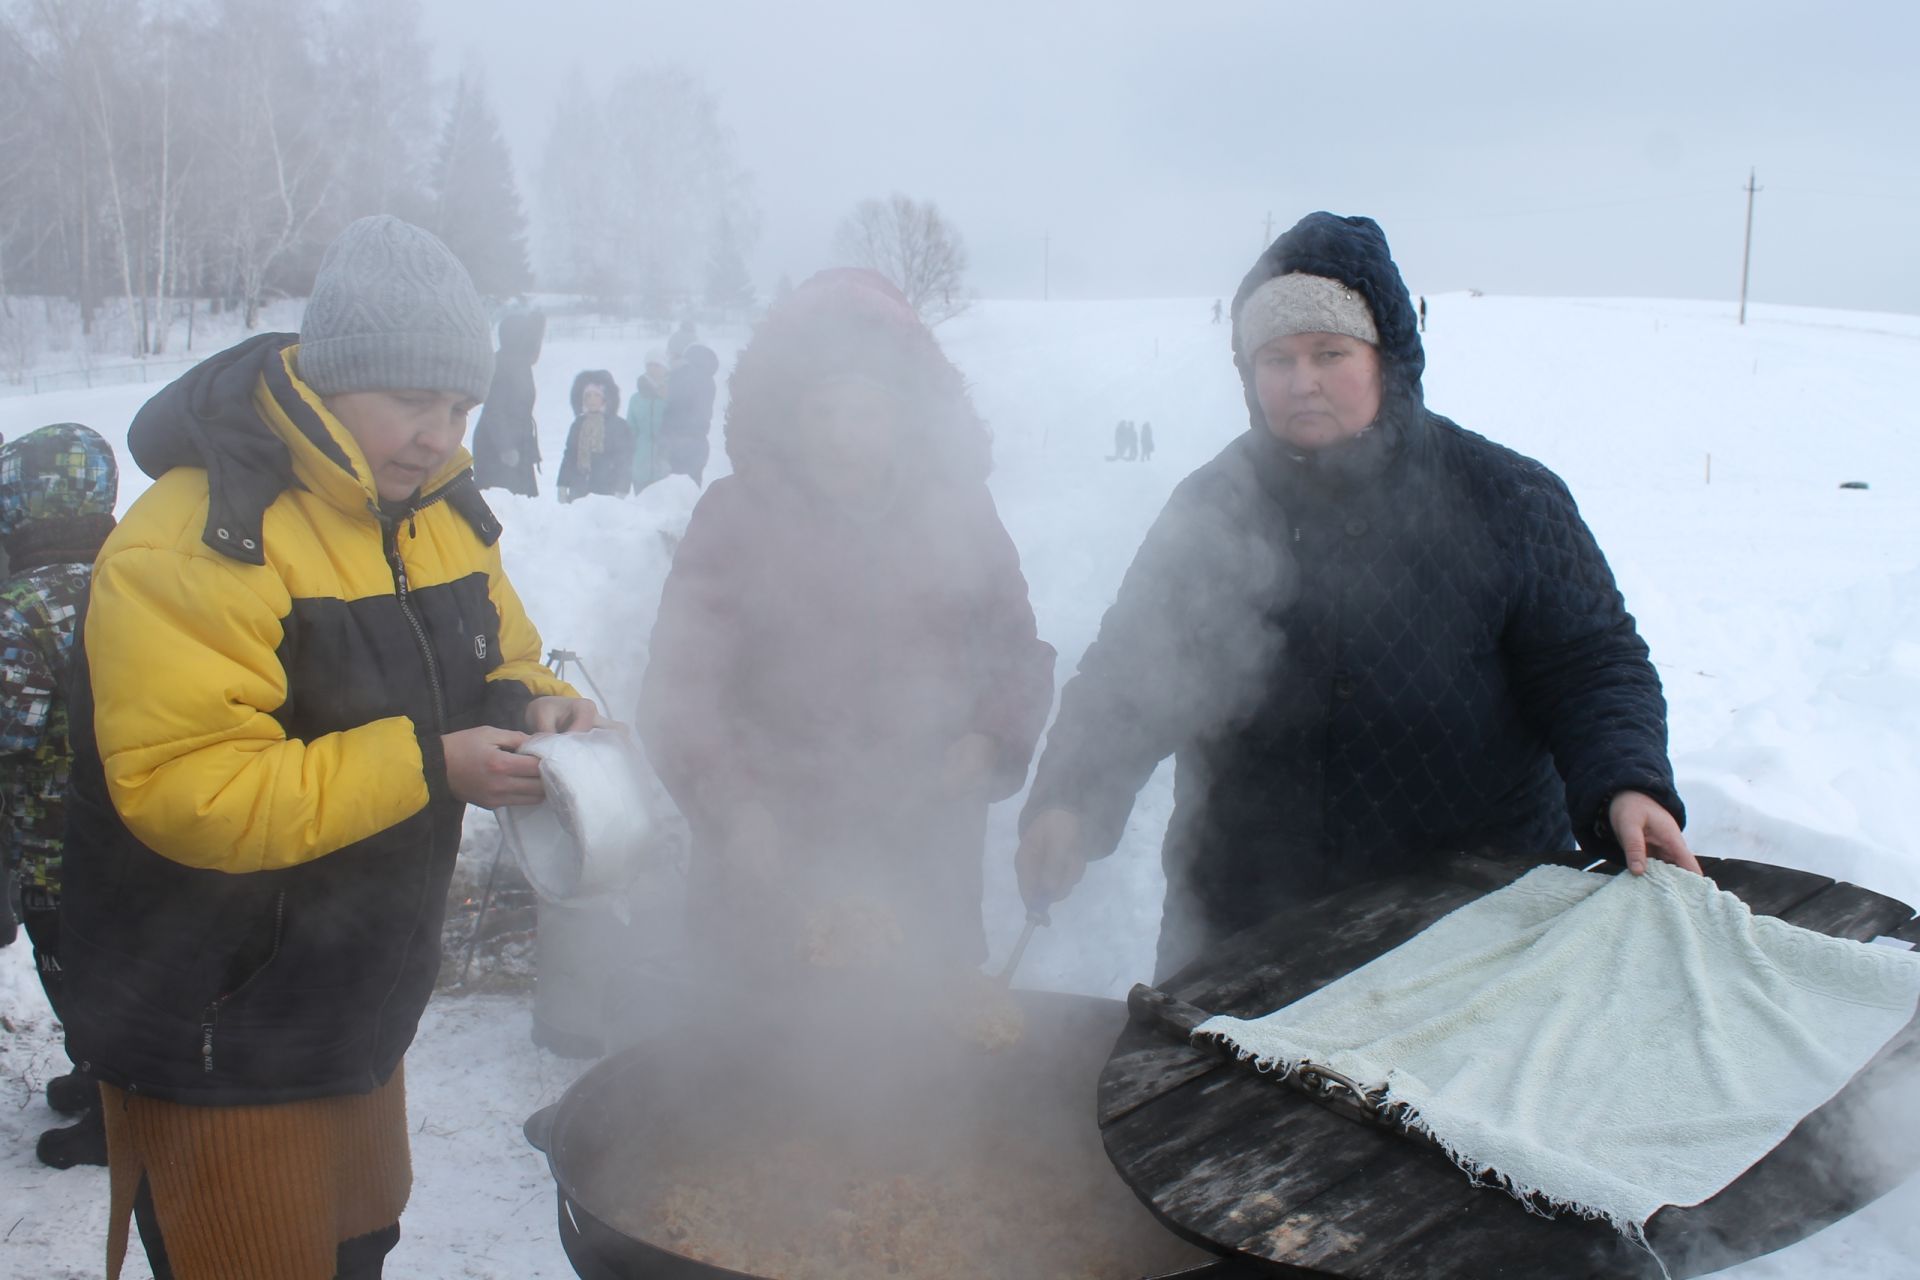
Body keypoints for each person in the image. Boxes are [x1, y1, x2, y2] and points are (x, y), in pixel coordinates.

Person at [58, 215, 598, 1280]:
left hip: (353, 1005)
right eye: (411, 399)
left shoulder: (435, 514)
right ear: (329, 378)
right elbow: (187, 787)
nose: (438, 433)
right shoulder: (200, 532)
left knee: (354, 1250)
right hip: (220, 1022)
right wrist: (430, 764)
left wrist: (539, 706)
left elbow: (504, 652)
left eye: (457, 406)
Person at [1015, 212, 1696, 980]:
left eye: (1328, 352)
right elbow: (1130, 677)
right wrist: (1069, 798)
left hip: (1467, 927)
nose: (1300, 380)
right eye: (1275, 358)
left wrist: (1627, 784)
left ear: (1389, 359)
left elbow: (1591, 663)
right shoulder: (1213, 508)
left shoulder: (1508, 499)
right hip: (1243, 924)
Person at [638, 269, 1055, 979]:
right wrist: (734, 809)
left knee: (930, 1054)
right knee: (749, 1070)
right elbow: (680, 690)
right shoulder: (735, 517)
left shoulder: (960, 512)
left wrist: (988, 740)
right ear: (783, 416)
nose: (841, 439)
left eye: (865, 414)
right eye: (821, 413)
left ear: (907, 417)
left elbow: (1018, 653)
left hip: (926, 850)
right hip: (770, 863)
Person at [0, 423, 117, 1170]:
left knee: (72, 969)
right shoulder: (134, 575)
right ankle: (103, 1078)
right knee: (124, 962)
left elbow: (9, 734)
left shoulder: (21, 606)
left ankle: (117, 1110)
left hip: (55, 847)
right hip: (143, 829)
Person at [471, 312, 545, 497]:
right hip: (497, 449)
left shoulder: (519, 364)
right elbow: (494, 410)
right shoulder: (502, 364)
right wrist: (506, 448)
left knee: (520, 506)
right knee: (504, 508)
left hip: (515, 445)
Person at [556, 370, 634, 501]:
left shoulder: (619, 426)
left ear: (605, 398)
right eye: (587, 396)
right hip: (579, 490)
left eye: (596, 395)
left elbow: (624, 460)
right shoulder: (578, 424)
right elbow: (569, 455)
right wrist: (562, 485)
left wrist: (622, 488)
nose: (591, 400)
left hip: (607, 491)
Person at [657, 344, 719, 485]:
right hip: (699, 443)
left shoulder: (683, 376)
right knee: (690, 492)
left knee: (669, 491)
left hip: (676, 442)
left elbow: (667, 404)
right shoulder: (709, 380)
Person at [627, 350, 670, 491]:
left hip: (666, 465)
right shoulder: (636, 399)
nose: (652, 368)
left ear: (665, 368)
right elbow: (630, 430)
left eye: (657, 365)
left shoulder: (673, 394)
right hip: (641, 465)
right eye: (649, 365)